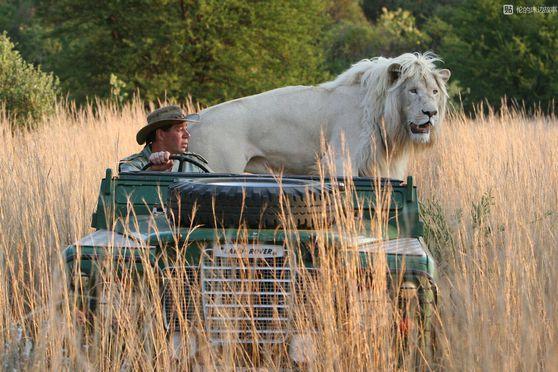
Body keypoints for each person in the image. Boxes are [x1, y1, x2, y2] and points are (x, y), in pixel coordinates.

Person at [119, 105, 211, 173]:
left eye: (186, 129)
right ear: (161, 134)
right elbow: (128, 190)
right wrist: (151, 171)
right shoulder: (132, 164)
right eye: (180, 130)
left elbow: (218, 186)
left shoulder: (194, 163)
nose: (187, 135)